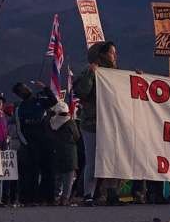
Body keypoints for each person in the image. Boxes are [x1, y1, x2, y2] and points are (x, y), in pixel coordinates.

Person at [74, 41, 122, 206]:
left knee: (114, 159)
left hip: (113, 123)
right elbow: (82, 92)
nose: (115, 56)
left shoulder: (117, 75)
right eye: (111, 53)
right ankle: (89, 194)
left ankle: (111, 193)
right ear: (102, 55)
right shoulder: (90, 72)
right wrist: (90, 74)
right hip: (92, 123)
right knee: (93, 160)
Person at [13, 80, 59, 205]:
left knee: (49, 171)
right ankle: (30, 199)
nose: (26, 89)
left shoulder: (39, 101)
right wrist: (26, 144)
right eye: (23, 89)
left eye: (26, 87)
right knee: (32, 173)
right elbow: (19, 128)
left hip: (46, 141)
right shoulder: (20, 108)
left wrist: (45, 88)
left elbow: (54, 101)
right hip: (31, 145)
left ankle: (49, 198)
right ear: (19, 94)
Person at [47, 100, 81, 205]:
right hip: (70, 153)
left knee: (58, 177)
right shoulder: (71, 122)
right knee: (68, 179)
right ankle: (65, 198)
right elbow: (77, 136)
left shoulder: (52, 122)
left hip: (56, 152)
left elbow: (49, 136)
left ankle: (56, 197)